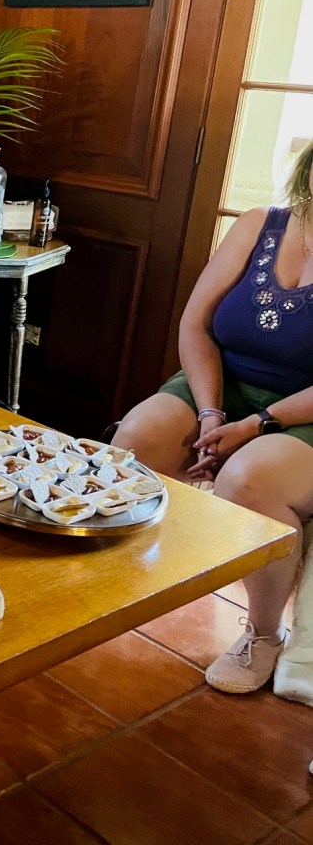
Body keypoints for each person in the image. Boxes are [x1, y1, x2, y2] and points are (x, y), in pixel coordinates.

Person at [112, 142, 313, 694]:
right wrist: (210, 414)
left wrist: (256, 426)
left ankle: (265, 633)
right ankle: (106, 587)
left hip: (304, 410)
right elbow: (196, 325)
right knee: (134, 438)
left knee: (249, 478)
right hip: (221, 385)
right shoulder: (258, 225)